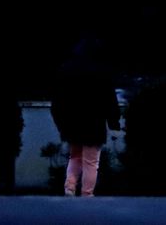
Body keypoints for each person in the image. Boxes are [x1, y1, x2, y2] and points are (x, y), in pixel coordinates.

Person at [51, 42, 121, 196]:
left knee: (75, 156)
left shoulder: (65, 70)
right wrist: (114, 122)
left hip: (72, 123)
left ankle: (69, 187)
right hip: (94, 123)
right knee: (91, 161)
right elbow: (109, 99)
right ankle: (87, 194)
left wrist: (61, 124)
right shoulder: (102, 71)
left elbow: (58, 101)